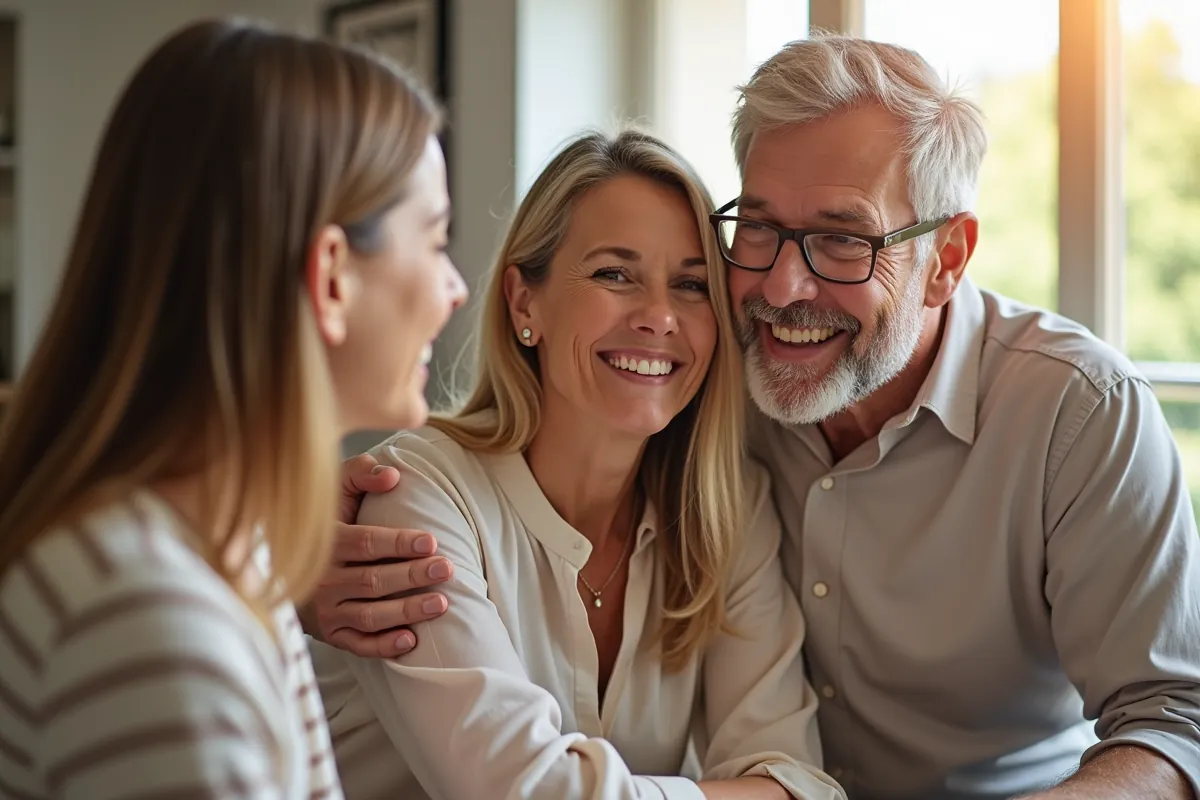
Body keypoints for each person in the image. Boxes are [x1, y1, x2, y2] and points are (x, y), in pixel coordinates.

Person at [314, 35, 1200, 800]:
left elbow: (1175, 721)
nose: (782, 287)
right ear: (524, 301)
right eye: (761, 229)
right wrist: (293, 568)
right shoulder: (703, 383)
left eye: (844, 239)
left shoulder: (1078, 411)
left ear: (945, 260)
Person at [0, 17, 465, 799]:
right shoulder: (149, 620)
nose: (455, 288)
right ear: (331, 279)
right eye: (436, 241)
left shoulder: (226, 555)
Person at [307, 130, 845, 800]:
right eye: (614, 274)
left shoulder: (728, 512)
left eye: (690, 285)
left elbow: (798, 784)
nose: (658, 317)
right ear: (523, 301)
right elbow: (521, 793)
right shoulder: (416, 499)